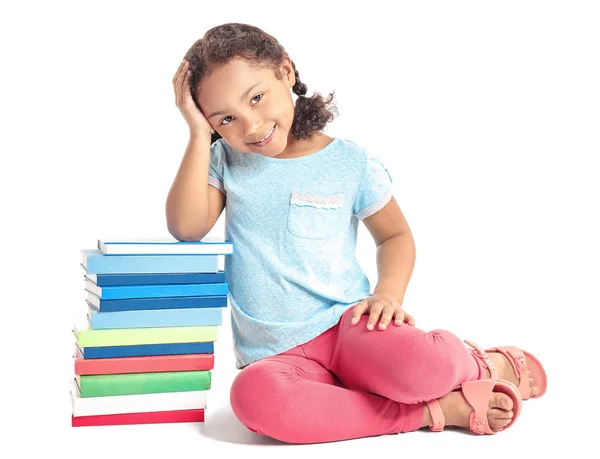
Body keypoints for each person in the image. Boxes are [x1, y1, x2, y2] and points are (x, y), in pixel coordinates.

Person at [166, 23, 547, 444]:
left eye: (256, 98)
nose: (251, 125)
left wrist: (388, 295)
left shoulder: (350, 162)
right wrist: (199, 133)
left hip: (350, 327)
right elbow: (187, 227)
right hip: (275, 354)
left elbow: (395, 237)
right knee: (254, 400)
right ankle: (431, 412)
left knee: (424, 367)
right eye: (226, 118)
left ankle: (480, 364)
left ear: (286, 71)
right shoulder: (224, 159)